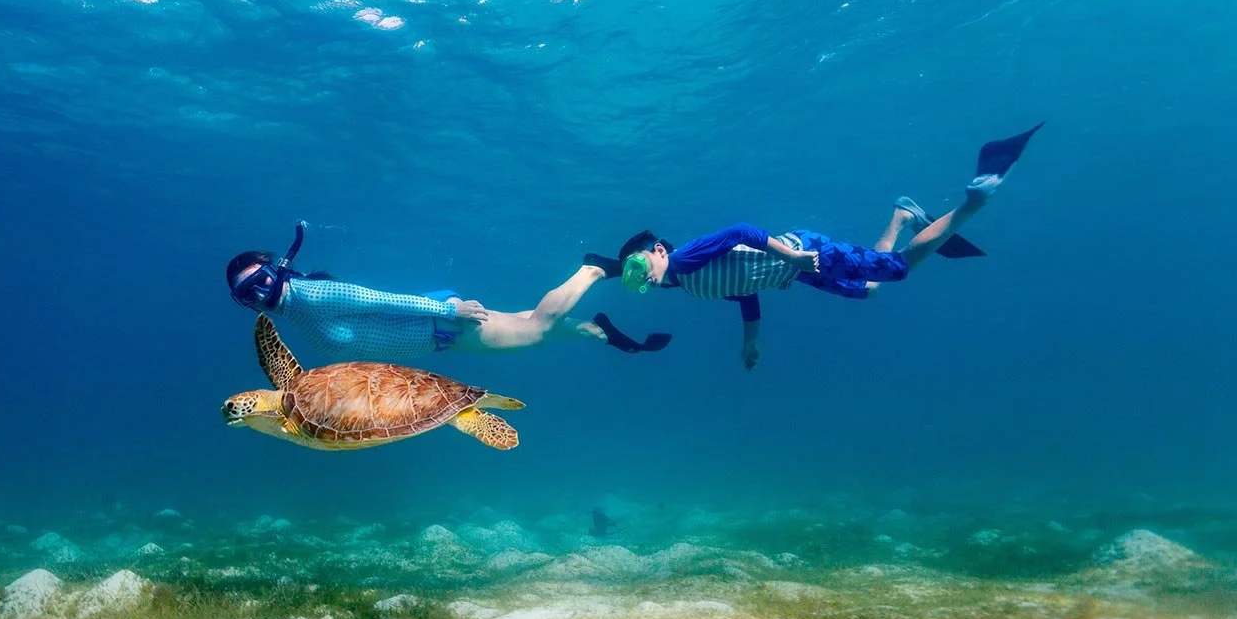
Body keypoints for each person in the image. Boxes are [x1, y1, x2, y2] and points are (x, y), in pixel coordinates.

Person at [600, 123, 1041, 371]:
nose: (643, 279)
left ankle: (973, 200)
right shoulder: (689, 285)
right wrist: (749, 342)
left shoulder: (684, 257)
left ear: (657, 251)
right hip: (801, 272)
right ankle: (902, 215)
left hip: (805, 252)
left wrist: (791, 255)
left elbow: (740, 230)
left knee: (897, 270)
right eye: (634, 280)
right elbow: (745, 295)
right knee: (871, 288)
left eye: (639, 265)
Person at [226, 224, 669, 361]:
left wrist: (448, 309)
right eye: (248, 295)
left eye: (260, 280)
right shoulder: (297, 310)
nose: (260, 295)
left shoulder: (310, 297)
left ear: (274, 269)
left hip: (441, 323)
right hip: (436, 330)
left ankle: (592, 271)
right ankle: (601, 333)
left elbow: (382, 300)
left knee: (535, 328)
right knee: (525, 324)